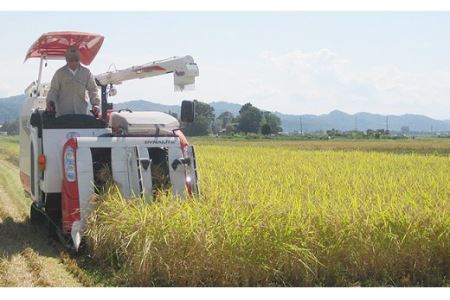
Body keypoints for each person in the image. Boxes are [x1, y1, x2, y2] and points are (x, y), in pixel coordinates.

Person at [46, 47, 100, 117]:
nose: (74, 62)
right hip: (63, 115)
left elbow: (93, 89)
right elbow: (53, 90)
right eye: (71, 60)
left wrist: (95, 104)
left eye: (76, 60)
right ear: (66, 60)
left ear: (80, 59)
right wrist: (50, 103)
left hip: (81, 113)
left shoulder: (86, 73)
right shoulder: (59, 73)